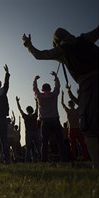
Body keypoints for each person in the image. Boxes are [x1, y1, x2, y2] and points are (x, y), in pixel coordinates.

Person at [22, 26, 98, 167]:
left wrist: (29, 45)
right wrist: (56, 78)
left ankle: (96, 164)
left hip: (88, 86)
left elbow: (40, 55)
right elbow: (56, 89)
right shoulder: (85, 38)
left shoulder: (62, 49)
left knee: (90, 128)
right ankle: (67, 159)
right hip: (56, 118)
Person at [32, 72, 68, 162]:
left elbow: (35, 89)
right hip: (55, 119)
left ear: (42, 89)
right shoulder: (54, 94)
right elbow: (57, 87)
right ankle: (65, 158)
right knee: (60, 141)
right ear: (50, 88)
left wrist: (35, 80)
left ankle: (44, 159)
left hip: (45, 121)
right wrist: (56, 77)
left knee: (44, 142)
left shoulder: (39, 96)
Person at [61, 91, 89, 161]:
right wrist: (78, 94)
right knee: (82, 144)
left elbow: (62, 103)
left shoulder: (69, 111)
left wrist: (62, 95)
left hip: (72, 130)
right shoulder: (77, 110)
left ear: (69, 105)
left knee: (73, 146)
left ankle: (74, 158)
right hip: (78, 129)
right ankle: (85, 157)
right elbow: (80, 103)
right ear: (73, 104)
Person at [16, 96, 41, 162]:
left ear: (27, 111)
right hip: (35, 131)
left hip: (29, 132)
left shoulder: (25, 116)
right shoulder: (35, 115)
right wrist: (36, 101)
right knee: (37, 146)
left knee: (28, 147)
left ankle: (27, 160)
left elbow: (20, 109)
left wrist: (17, 102)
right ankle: (41, 158)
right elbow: (37, 108)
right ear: (32, 110)